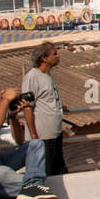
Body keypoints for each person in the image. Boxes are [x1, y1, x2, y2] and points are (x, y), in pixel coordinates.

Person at [23, 42, 68, 177]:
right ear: (44, 58)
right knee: (47, 173)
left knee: (58, 171)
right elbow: (27, 107)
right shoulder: (32, 77)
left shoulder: (46, 76)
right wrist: (34, 136)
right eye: (54, 54)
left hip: (54, 133)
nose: (58, 56)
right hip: (43, 136)